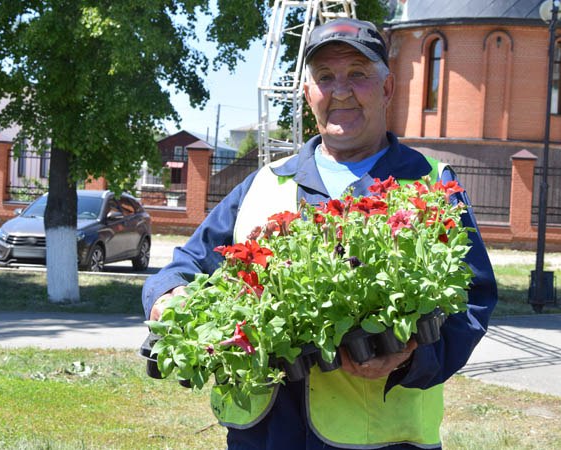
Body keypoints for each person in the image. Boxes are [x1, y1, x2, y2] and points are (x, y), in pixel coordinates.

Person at [142, 18, 497, 450]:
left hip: (380, 439)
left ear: (387, 89)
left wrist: (410, 358)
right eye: (324, 77)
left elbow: (473, 299)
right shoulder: (263, 183)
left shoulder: (429, 182)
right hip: (265, 434)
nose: (340, 90)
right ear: (308, 94)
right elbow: (189, 264)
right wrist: (167, 296)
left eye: (358, 75)